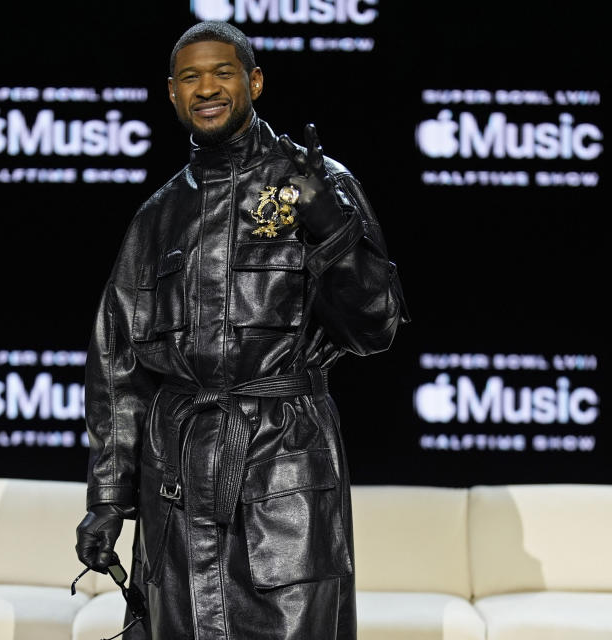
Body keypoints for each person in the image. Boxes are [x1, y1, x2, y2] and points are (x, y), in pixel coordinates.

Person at [75, 20, 409, 640]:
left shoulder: (317, 182)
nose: (206, 88)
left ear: (253, 81)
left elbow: (377, 327)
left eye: (222, 73)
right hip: (174, 480)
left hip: (285, 465)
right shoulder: (157, 217)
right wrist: (107, 501)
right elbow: (119, 368)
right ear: (172, 95)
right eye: (190, 77)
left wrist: (332, 230)